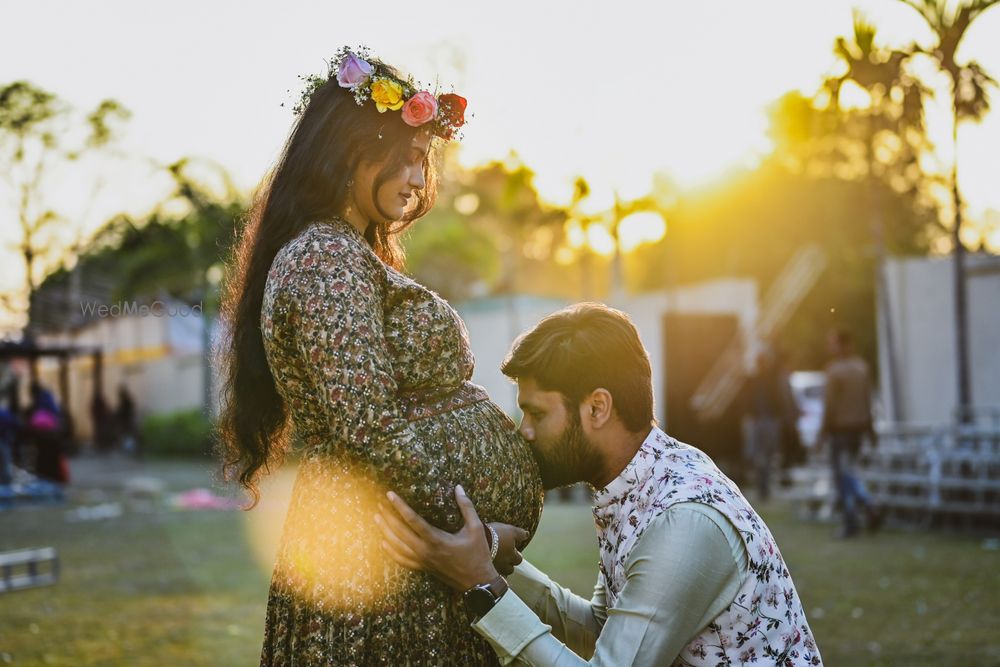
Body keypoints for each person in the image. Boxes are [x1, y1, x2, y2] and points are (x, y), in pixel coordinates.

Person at [216, 46, 542, 665]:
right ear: (349, 152)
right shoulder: (324, 260)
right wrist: (467, 532)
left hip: (395, 549)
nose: (420, 182)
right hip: (377, 557)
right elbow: (368, 427)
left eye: (425, 163)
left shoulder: (343, 254)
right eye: (409, 160)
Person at [378, 303, 823, 666]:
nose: (524, 431)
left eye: (537, 414)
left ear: (596, 408)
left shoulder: (682, 520)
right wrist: (487, 556)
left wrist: (483, 587)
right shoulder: (640, 482)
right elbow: (600, 629)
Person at [822, 329, 881, 538]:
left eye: (833, 344)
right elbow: (869, 401)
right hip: (859, 429)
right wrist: (871, 431)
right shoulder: (862, 368)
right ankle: (867, 504)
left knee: (843, 476)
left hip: (841, 431)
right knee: (850, 472)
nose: (830, 348)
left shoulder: (834, 371)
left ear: (844, 345)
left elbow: (829, 407)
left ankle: (854, 518)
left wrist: (822, 433)